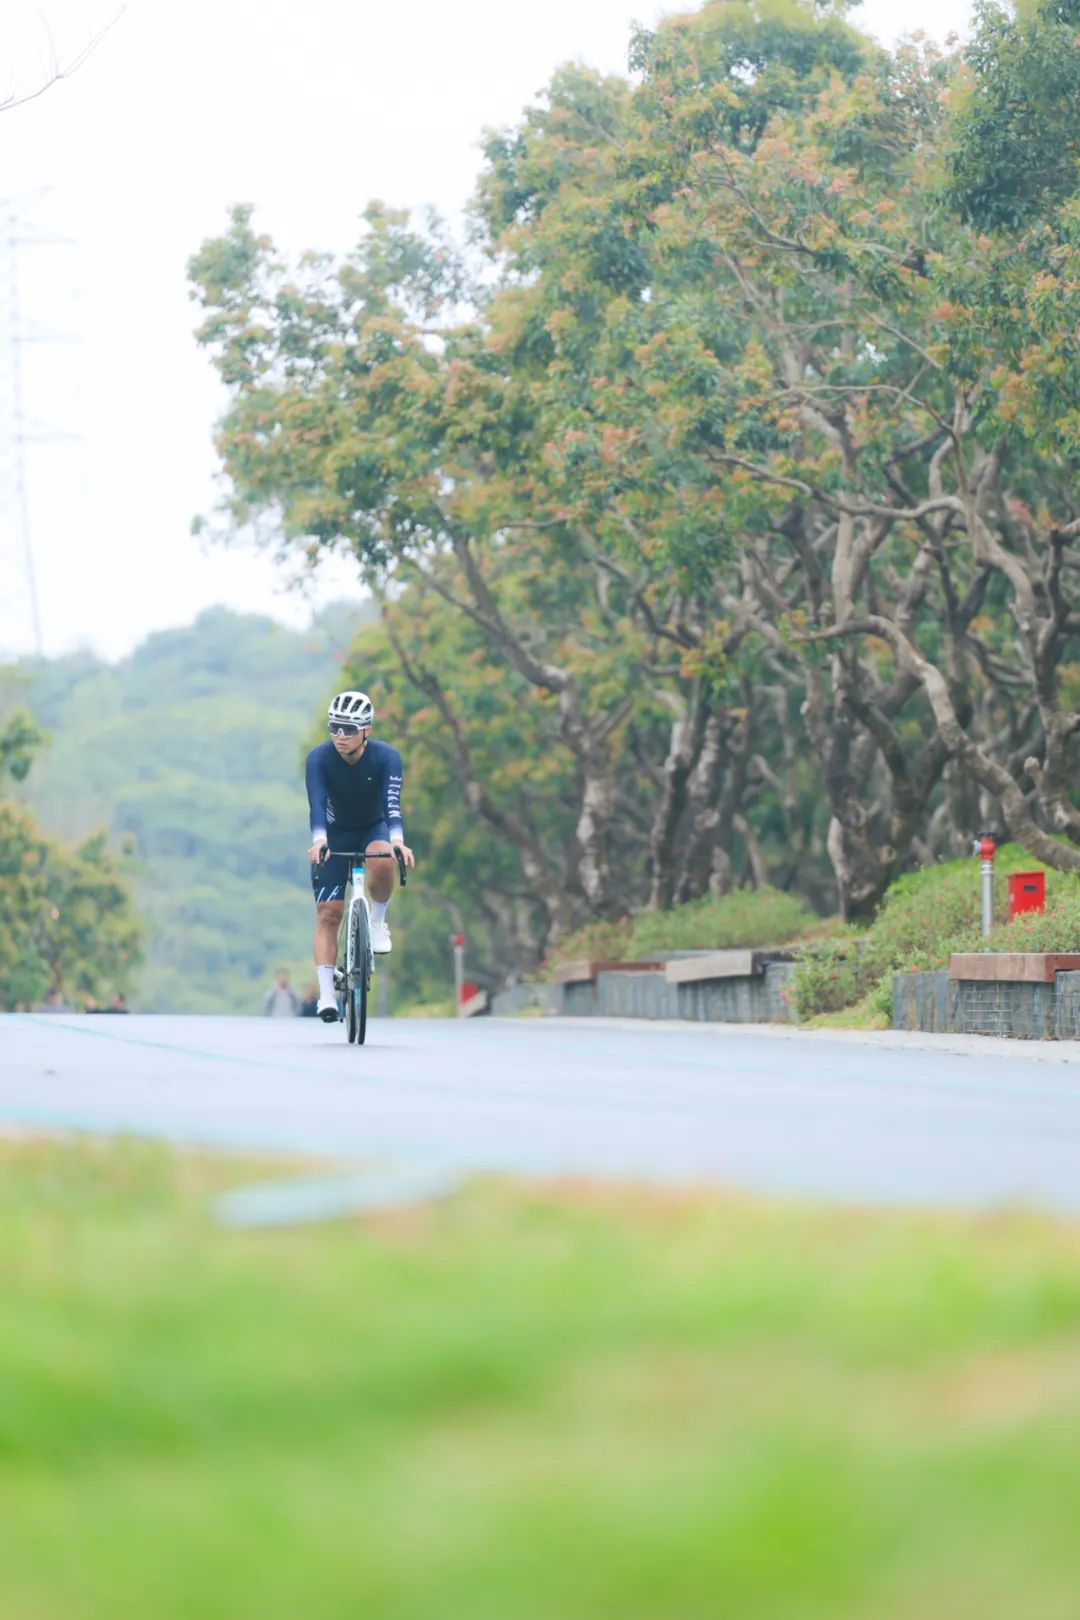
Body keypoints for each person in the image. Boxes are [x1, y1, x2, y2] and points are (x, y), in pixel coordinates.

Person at [306, 689, 415, 1022]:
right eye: (335, 727)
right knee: (328, 913)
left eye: (349, 729)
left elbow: (391, 804)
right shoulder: (319, 758)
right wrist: (319, 840)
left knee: (383, 856)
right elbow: (317, 806)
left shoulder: (386, 757)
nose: (341, 736)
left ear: (366, 730)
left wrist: (398, 840)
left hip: (374, 827)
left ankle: (378, 921)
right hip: (336, 832)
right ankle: (327, 995)